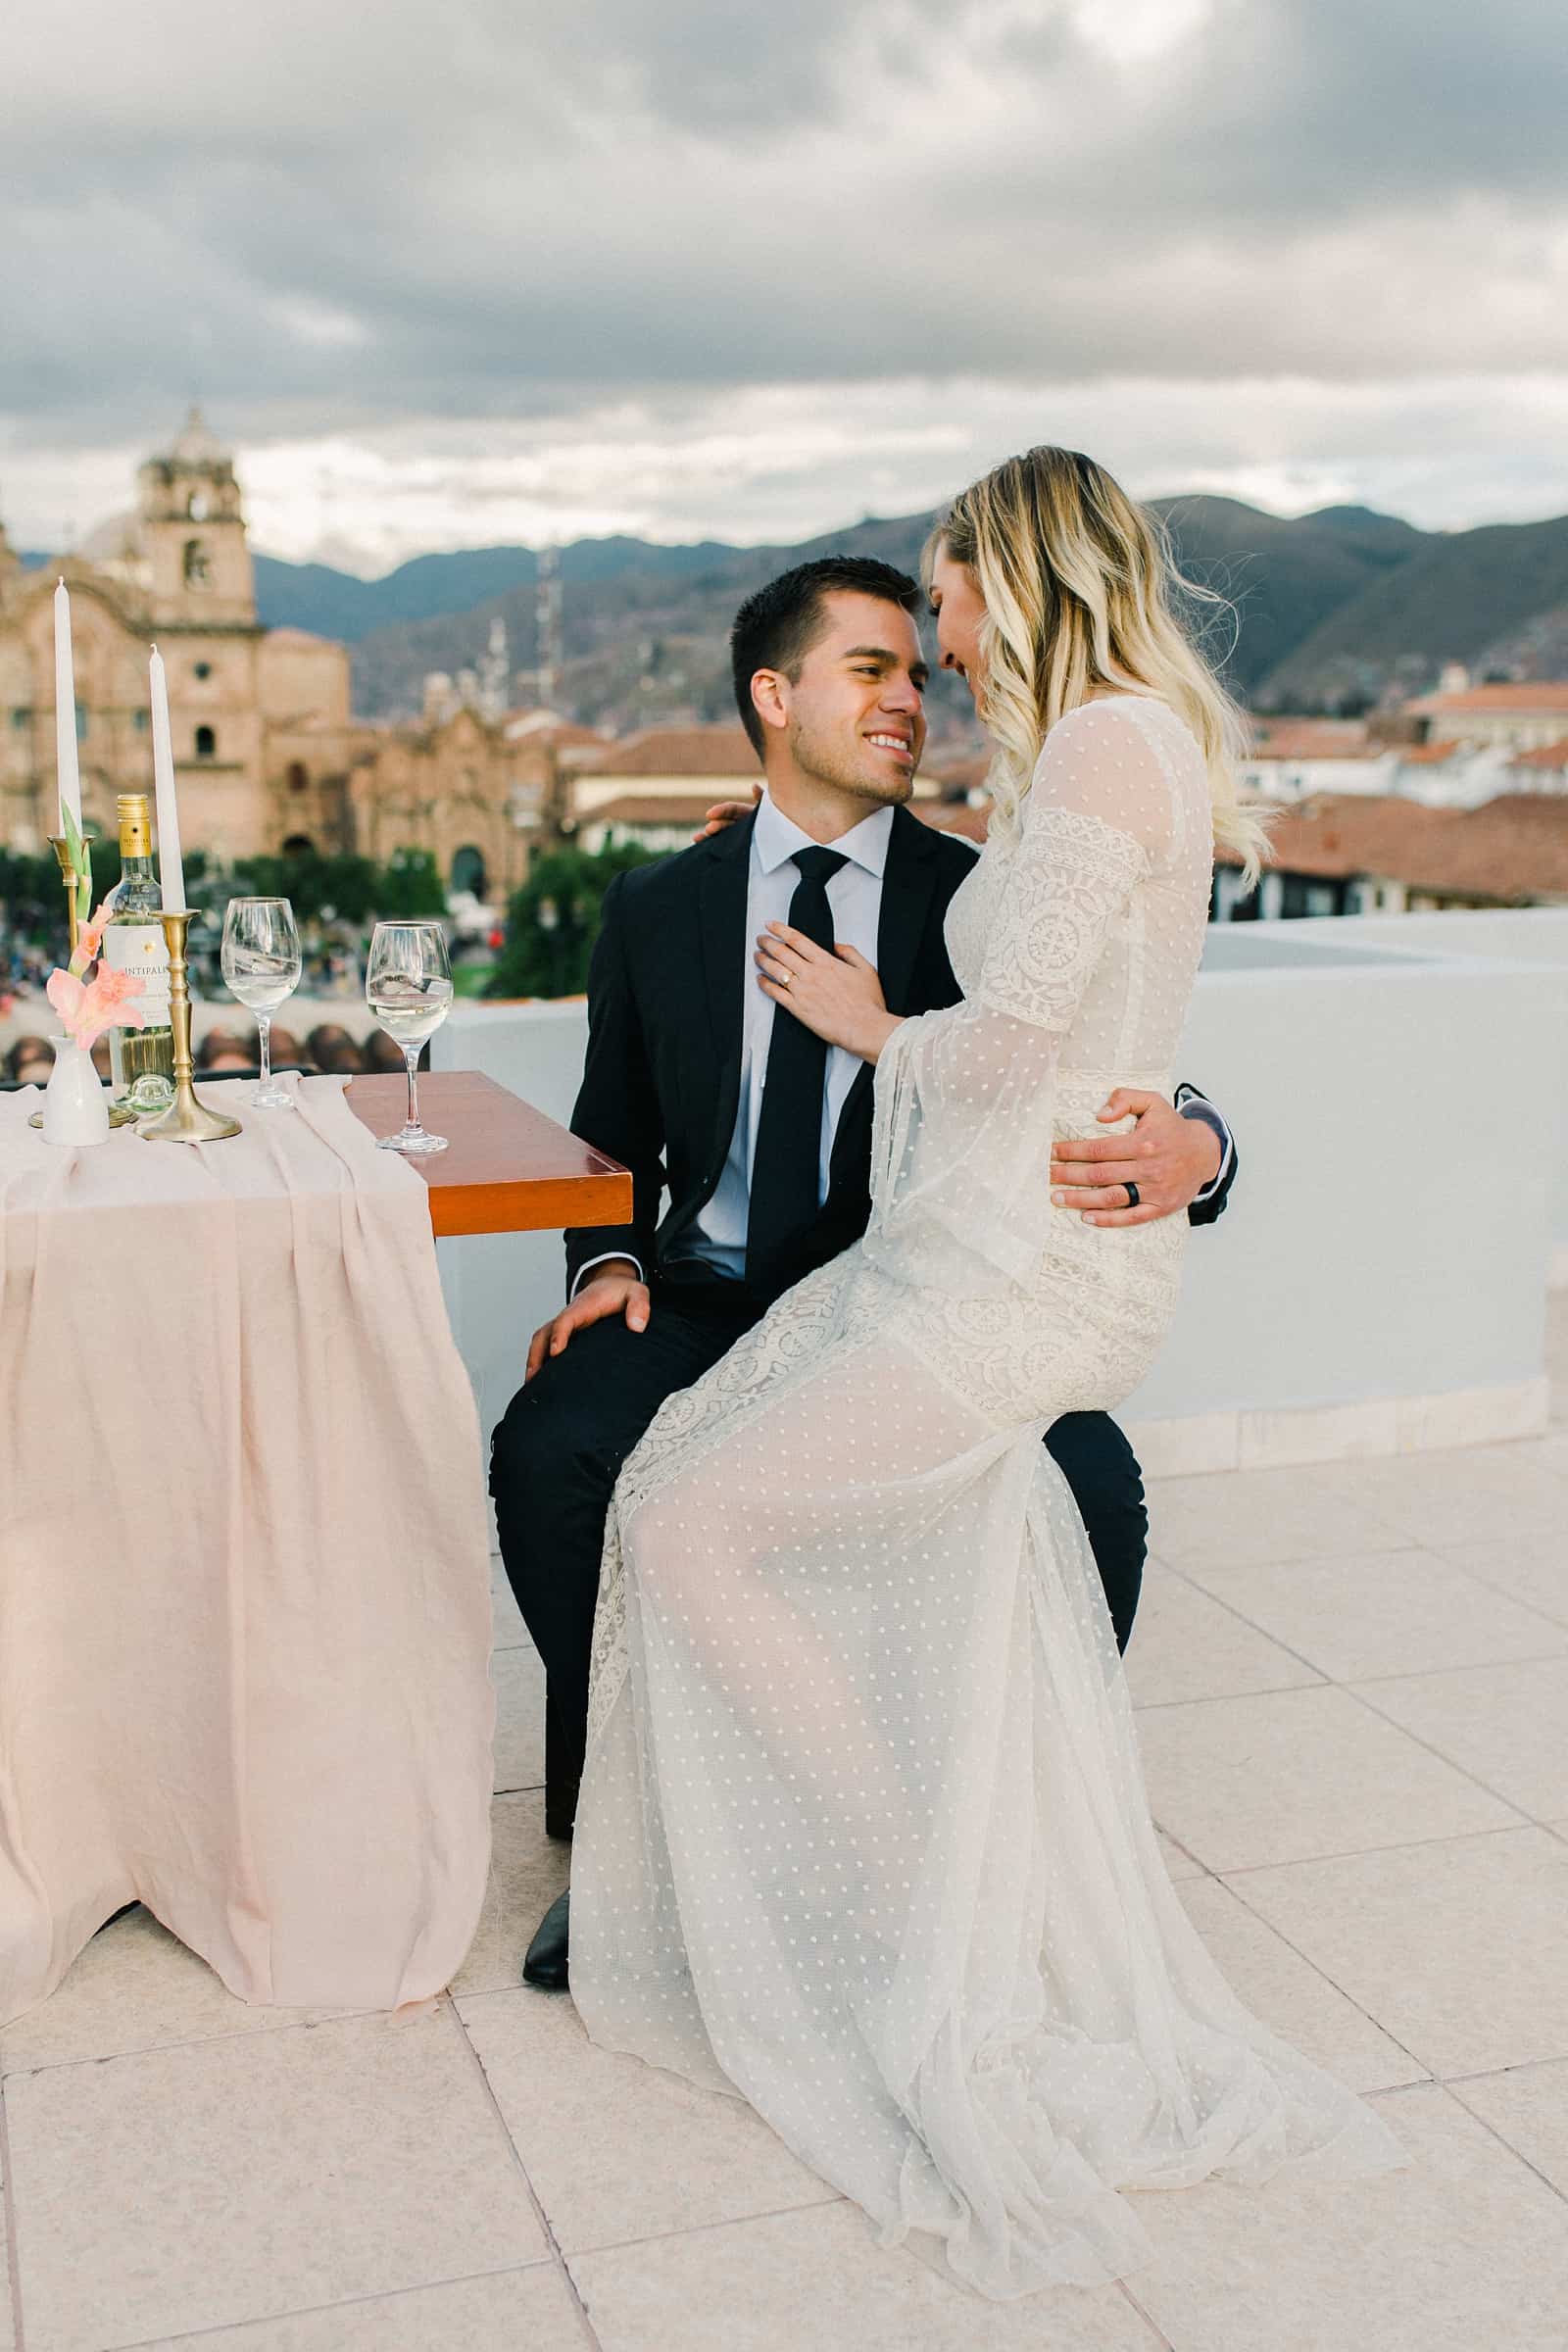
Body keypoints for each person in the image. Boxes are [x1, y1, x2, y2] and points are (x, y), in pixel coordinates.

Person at [565, 450, 1403, 2297]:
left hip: (1027, 1269)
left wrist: (881, 1025)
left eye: (945, 599)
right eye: (894, 636)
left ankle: (896, 1917)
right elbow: (1092, 998)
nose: (932, 646)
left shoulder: (1103, 751)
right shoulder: (1074, 761)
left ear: (1016, 578)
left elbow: (1042, 1040)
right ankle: (876, 1883)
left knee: (696, 1515)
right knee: (676, 1486)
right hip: (957, 1251)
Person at [491, 547, 1238, 1997]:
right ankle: (628, 1837)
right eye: (872, 670)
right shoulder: (659, 905)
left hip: (923, 1296)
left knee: (1089, 1486)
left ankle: (981, 1836)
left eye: (920, 665)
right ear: (775, 698)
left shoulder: (974, 893)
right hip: (701, 1292)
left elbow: (1108, 1056)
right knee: (555, 1449)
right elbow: (609, 1129)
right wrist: (605, 1263)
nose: (914, 696)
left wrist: (1202, 1145)